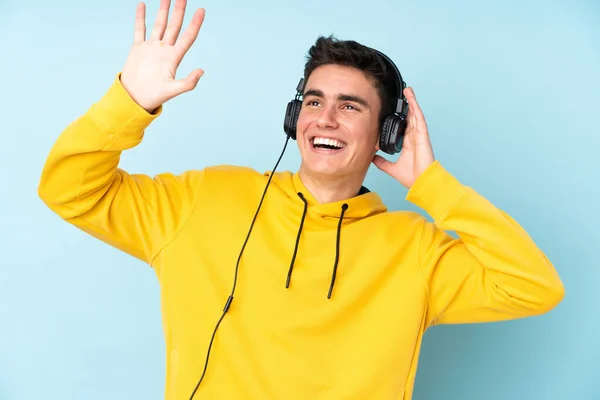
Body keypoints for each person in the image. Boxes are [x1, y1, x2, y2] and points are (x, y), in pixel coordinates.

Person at [37, 1, 565, 399]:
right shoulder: (202, 200)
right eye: (313, 101)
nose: (325, 119)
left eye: (350, 106)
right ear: (295, 119)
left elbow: (533, 287)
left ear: (387, 133)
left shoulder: (416, 251)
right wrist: (128, 102)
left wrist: (432, 184)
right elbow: (68, 189)